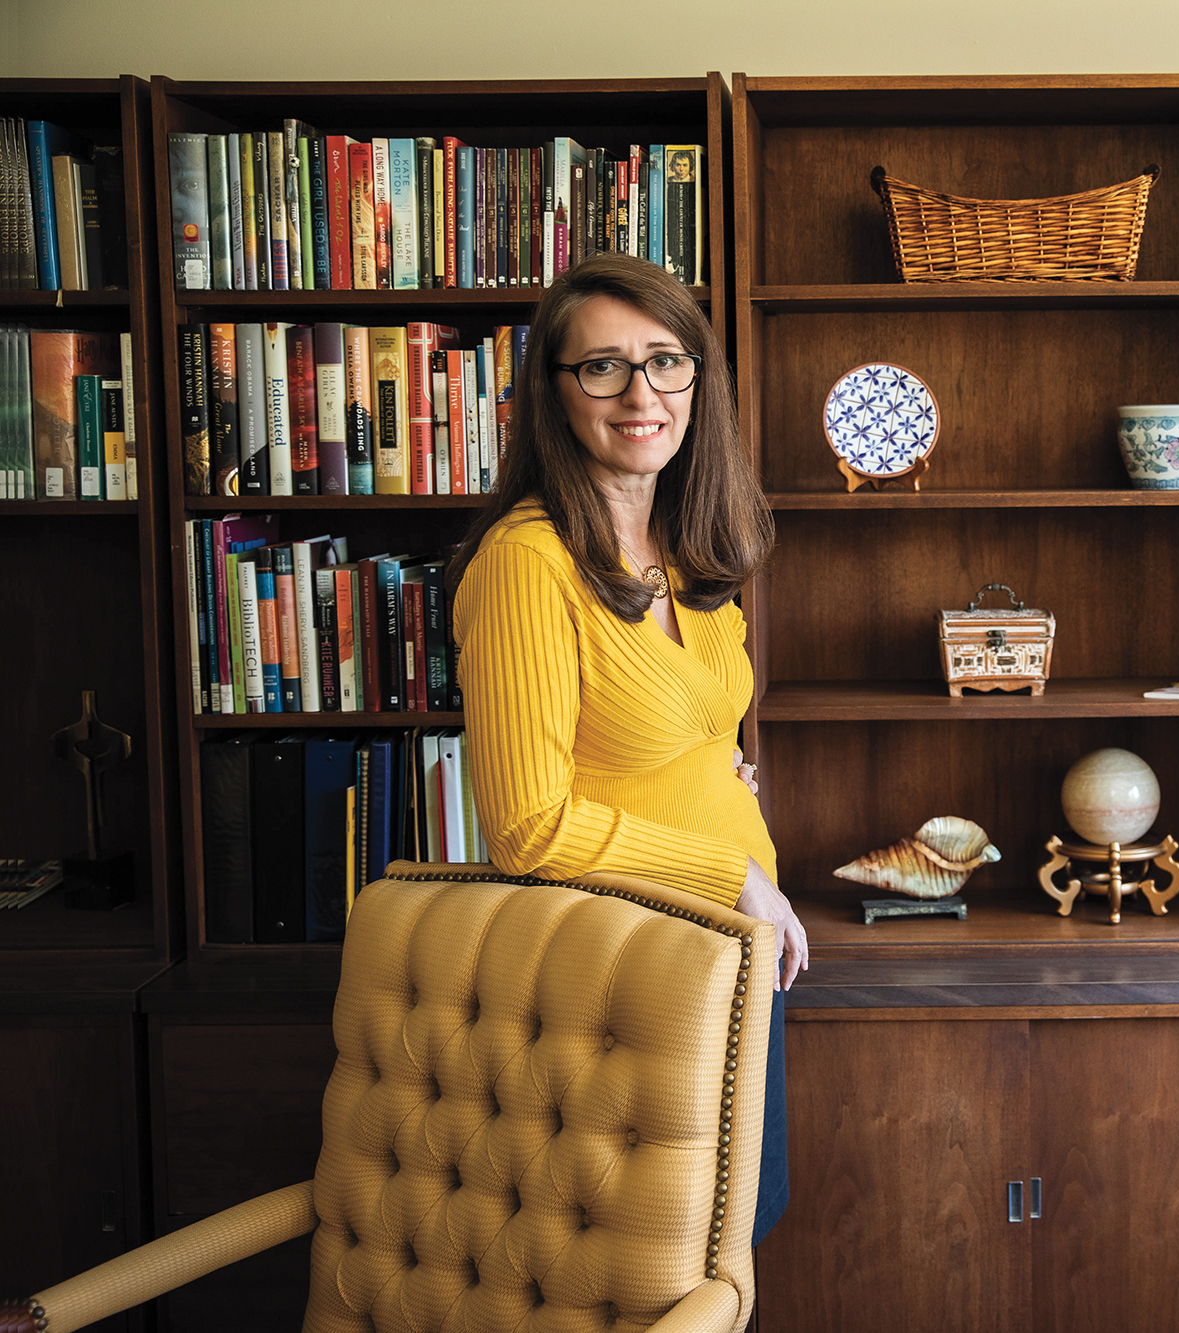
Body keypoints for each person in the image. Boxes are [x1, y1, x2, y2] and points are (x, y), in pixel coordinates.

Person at [449, 252, 803, 1246]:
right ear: (555, 394)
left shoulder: (688, 549)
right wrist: (725, 868)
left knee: (734, 1236)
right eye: (602, 367)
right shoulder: (527, 563)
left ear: (699, 378)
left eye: (666, 361)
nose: (641, 392)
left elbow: (682, 727)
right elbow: (527, 827)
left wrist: (712, 774)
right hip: (626, 973)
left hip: (733, 955)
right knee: (658, 1260)